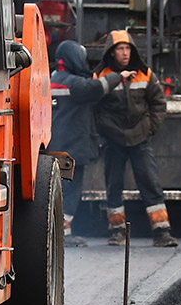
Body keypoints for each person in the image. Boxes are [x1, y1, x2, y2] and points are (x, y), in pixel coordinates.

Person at [94, 30, 178, 248]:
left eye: (127, 48)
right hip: (113, 140)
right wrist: (105, 130)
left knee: (150, 183)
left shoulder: (145, 74)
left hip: (140, 138)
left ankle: (162, 232)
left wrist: (150, 128)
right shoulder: (101, 75)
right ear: (111, 53)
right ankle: (117, 232)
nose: (125, 53)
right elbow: (95, 106)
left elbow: (158, 103)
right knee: (114, 185)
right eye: (120, 49)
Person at [49, 40, 126, 247]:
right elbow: (96, 88)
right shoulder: (74, 84)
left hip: (54, 147)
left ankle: (59, 231)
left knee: (58, 189)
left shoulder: (51, 78)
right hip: (72, 149)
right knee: (70, 190)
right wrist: (119, 76)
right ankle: (63, 233)